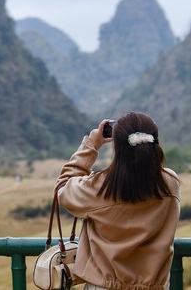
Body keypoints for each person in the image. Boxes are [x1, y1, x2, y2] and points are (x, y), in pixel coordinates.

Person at [56, 111, 181, 290]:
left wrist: (90, 146)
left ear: (117, 146)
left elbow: (62, 188)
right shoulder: (170, 183)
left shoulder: (99, 187)